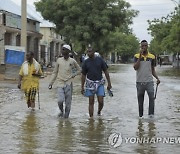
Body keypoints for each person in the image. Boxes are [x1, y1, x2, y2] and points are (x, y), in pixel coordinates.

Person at [48, 44, 81, 118]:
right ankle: (61, 112)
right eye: (62, 49)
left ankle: (66, 119)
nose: (62, 51)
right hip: (60, 83)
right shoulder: (59, 60)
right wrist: (51, 83)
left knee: (68, 103)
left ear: (68, 51)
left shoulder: (72, 61)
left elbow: (79, 70)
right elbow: (55, 72)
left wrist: (74, 74)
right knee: (60, 100)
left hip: (69, 83)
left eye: (63, 49)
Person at [81, 45, 112, 117]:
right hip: (90, 83)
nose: (89, 53)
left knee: (101, 101)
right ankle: (91, 119)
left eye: (90, 51)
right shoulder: (86, 62)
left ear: (94, 52)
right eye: (87, 52)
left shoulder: (100, 60)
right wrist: (82, 86)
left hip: (99, 83)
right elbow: (83, 75)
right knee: (91, 101)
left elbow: (106, 71)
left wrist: (109, 83)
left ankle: (99, 112)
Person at [133, 40, 160, 119]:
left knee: (152, 98)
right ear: (140, 47)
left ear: (147, 46)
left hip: (149, 82)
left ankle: (151, 116)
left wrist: (157, 78)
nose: (144, 47)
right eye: (142, 46)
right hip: (139, 82)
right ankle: (140, 117)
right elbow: (135, 67)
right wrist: (140, 57)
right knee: (140, 101)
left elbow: (152, 70)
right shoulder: (136, 56)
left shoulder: (152, 57)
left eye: (145, 46)